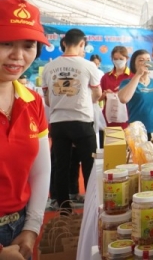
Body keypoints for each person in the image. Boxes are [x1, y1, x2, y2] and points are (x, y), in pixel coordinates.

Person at [0, 0, 52, 260]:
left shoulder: (33, 102)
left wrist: (32, 227)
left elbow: (40, 170)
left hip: (20, 229)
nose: (18, 56)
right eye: (6, 43)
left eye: (28, 45)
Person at [42, 28, 101, 212]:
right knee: (89, 164)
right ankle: (92, 204)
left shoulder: (49, 67)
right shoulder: (88, 66)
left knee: (61, 165)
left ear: (64, 43)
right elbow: (97, 93)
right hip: (82, 121)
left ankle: (63, 205)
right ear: (82, 44)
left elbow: (47, 99)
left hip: (58, 122)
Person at [99, 46, 131, 142]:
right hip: (110, 120)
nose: (118, 61)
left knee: (129, 151)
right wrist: (104, 94)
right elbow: (98, 98)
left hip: (128, 120)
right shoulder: (106, 77)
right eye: (115, 59)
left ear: (127, 59)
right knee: (113, 150)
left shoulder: (132, 77)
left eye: (121, 59)